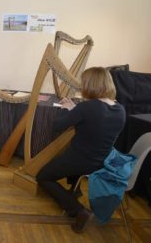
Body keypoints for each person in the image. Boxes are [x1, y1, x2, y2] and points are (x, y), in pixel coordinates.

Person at [36, 67, 126, 233]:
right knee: (72, 153)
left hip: (81, 161)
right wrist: (75, 110)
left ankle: (78, 211)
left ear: (90, 85)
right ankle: (74, 190)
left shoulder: (88, 107)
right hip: (102, 161)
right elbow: (96, 122)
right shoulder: (120, 109)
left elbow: (56, 126)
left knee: (42, 177)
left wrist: (65, 110)